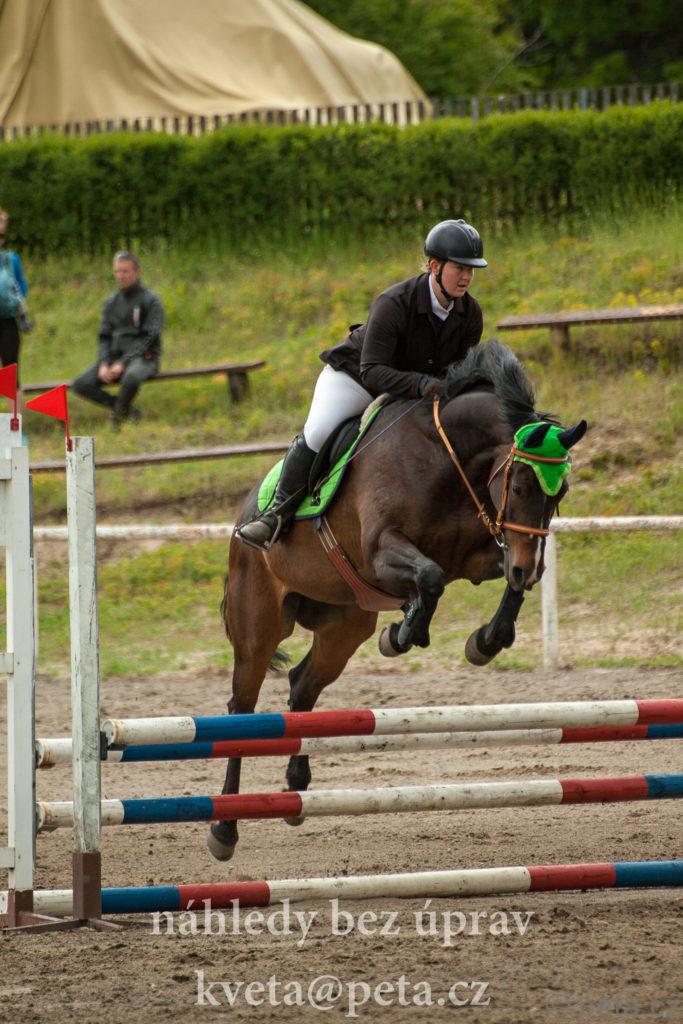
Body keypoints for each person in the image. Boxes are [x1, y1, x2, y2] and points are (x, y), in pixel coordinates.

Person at [237, 218, 487, 549]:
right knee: (320, 431)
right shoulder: (394, 302)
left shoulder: (470, 314)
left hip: (414, 393)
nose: (467, 277)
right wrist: (422, 384)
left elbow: (457, 370)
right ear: (434, 266)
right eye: (459, 268)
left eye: (471, 269)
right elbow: (372, 370)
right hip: (356, 379)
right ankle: (275, 515)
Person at [72, 251, 163, 426]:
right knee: (80, 384)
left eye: (125, 271)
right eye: (117, 271)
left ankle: (117, 419)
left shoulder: (151, 301)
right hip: (114, 358)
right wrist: (104, 363)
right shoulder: (111, 302)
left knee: (131, 377)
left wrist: (124, 362)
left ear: (136, 272)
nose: (120, 276)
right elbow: (104, 337)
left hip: (144, 358)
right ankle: (125, 409)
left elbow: (149, 337)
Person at [0, 208, 30, 385]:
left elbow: (22, 288)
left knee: (11, 378)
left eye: (1, 236)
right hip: (9, 322)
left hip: (9, 321)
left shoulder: (11, 259)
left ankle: (16, 406)